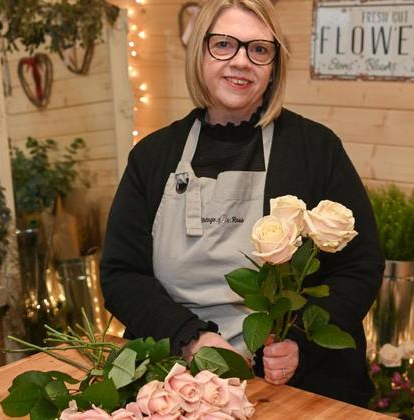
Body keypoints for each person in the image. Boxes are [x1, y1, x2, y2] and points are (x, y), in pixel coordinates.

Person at [100, 0, 384, 407]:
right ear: (200, 52)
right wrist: (192, 339)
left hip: (292, 386)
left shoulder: (316, 150)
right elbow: (121, 274)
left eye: (259, 50)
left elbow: (360, 266)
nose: (241, 62)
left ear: (273, 66)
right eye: (224, 45)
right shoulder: (152, 156)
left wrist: (300, 340)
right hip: (177, 379)